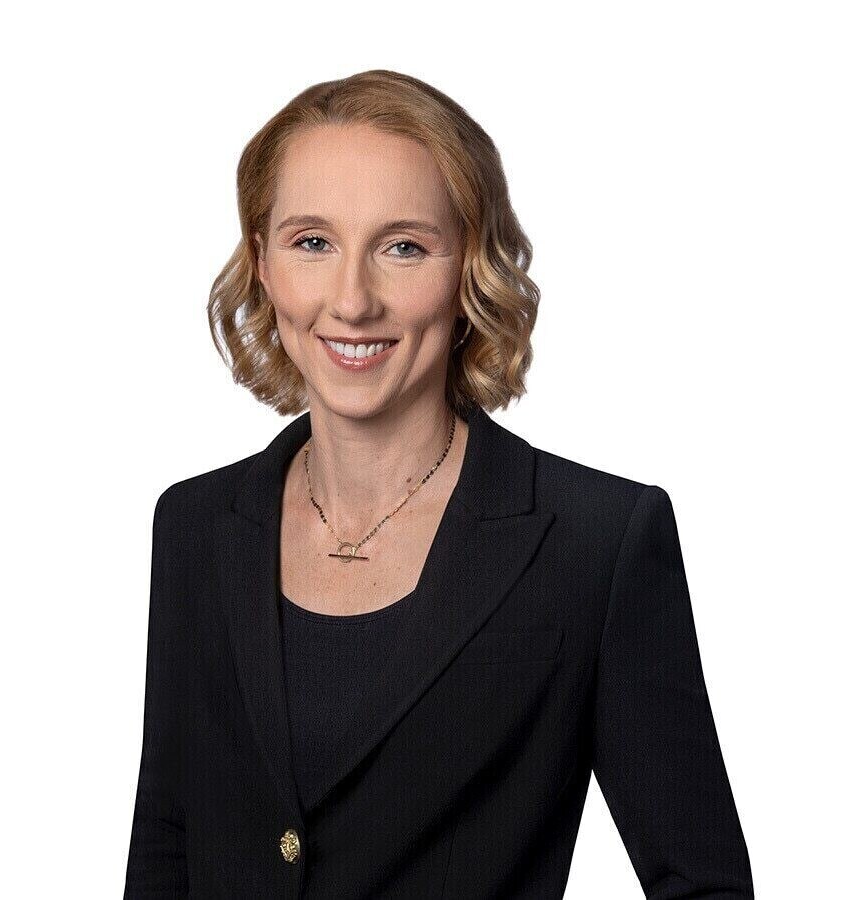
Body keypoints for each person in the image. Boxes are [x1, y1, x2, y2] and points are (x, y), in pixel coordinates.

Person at [123, 69, 754, 898]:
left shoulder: (595, 544)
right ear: (262, 263)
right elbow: (167, 845)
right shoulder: (195, 525)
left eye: (404, 247)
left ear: (471, 270)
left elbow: (703, 883)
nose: (352, 301)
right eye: (312, 242)